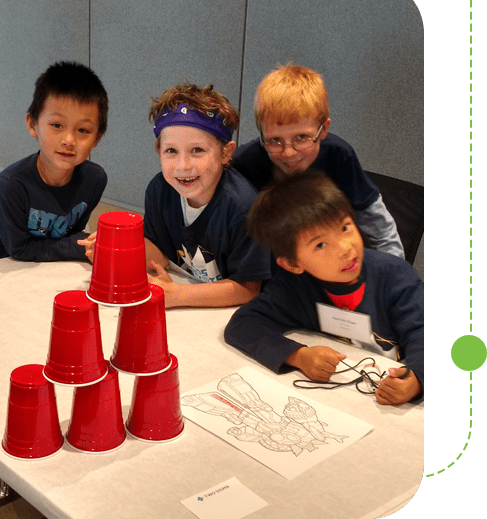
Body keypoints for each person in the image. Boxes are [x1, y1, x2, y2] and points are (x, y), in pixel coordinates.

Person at [223, 171, 423, 406]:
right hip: (339, 401)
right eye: (320, 244)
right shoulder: (294, 286)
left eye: (345, 227)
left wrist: (417, 379)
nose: (345, 248)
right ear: (293, 264)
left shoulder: (395, 277)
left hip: (392, 399)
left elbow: (421, 334)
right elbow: (243, 325)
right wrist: (298, 355)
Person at [233, 63, 404, 258]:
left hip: (333, 259)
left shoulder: (339, 156)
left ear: (324, 130)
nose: (288, 152)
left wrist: (395, 275)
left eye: (301, 138)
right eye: (275, 140)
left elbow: (379, 227)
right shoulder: (243, 163)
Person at [143, 83, 271, 309]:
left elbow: (249, 289)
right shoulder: (159, 190)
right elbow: (160, 256)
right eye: (171, 151)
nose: (182, 166)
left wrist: (177, 295)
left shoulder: (243, 208)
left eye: (197, 151)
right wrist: (117, 248)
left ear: (226, 153)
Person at [0, 61, 108, 263]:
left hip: (52, 269)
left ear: (97, 138)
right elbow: (19, 249)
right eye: (57, 125)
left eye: (83, 130)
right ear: (32, 124)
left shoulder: (94, 179)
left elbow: (71, 233)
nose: (69, 141)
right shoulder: (10, 186)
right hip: (0, 272)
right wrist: (82, 245)